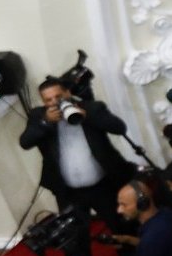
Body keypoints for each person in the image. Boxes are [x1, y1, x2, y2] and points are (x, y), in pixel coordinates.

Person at [17, 75, 136, 219]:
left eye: (58, 96)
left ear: (67, 93)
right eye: (49, 100)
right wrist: (46, 122)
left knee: (120, 223)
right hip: (68, 192)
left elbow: (119, 128)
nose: (55, 102)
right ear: (43, 102)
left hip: (102, 186)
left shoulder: (92, 108)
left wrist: (87, 116)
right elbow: (25, 143)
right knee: (76, 231)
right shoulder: (38, 116)